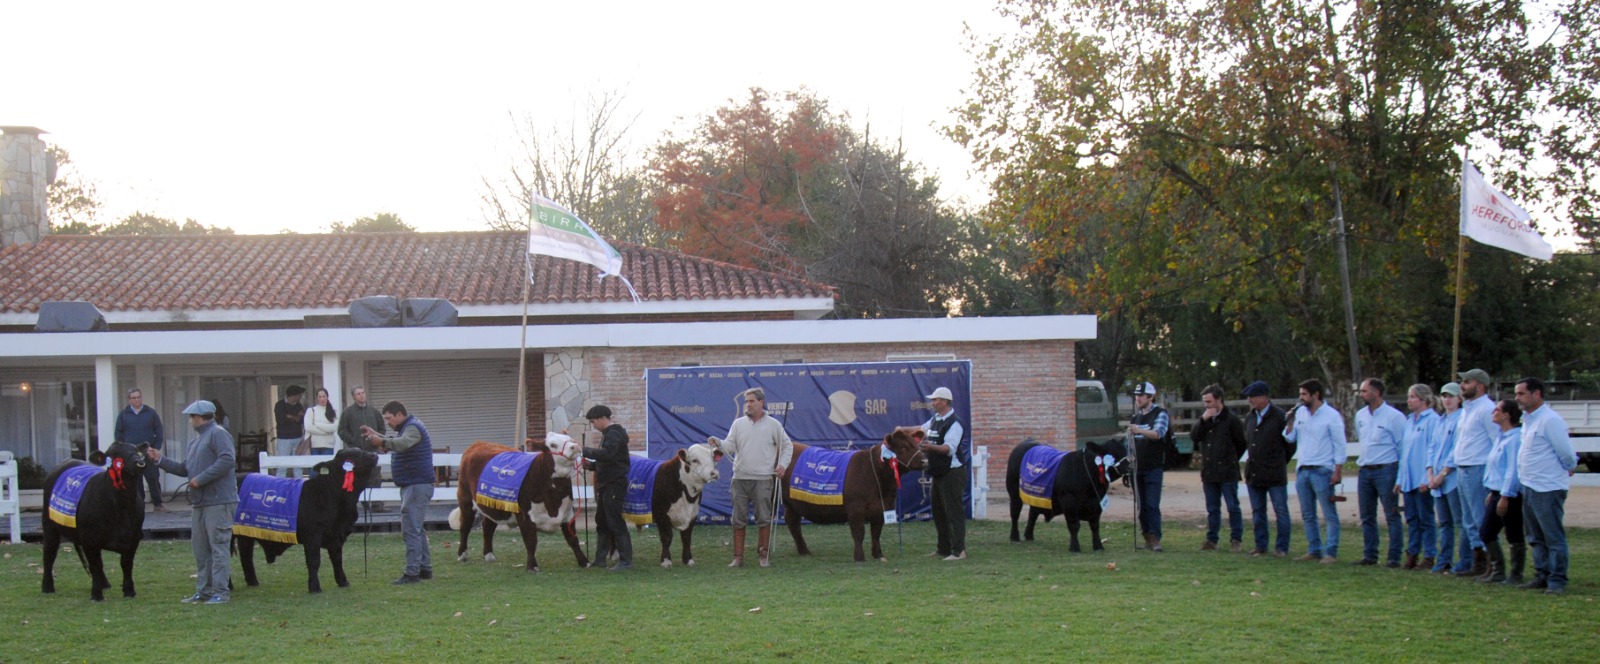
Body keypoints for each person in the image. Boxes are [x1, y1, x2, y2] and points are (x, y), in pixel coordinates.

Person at [147, 400, 237, 604]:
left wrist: (200, 479)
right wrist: (160, 460)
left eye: (192, 417)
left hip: (219, 501)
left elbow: (227, 460)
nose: (190, 421)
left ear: (200, 417)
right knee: (201, 549)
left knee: (219, 546)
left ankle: (221, 592)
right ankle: (204, 591)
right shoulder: (196, 441)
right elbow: (184, 468)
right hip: (201, 502)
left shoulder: (218, 434)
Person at [708, 387, 793, 568]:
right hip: (739, 479)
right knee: (738, 518)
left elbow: (787, 446)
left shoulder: (773, 425)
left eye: (751, 401)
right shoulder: (738, 424)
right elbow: (729, 446)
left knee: (764, 517)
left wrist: (783, 465)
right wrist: (718, 443)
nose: (747, 404)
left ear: (761, 403)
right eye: (746, 401)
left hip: (763, 479)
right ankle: (738, 558)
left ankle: (763, 555)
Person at [1514, 377, 1579, 595]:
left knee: (1552, 536)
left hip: (1547, 487)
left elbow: (1566, 452)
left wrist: (1570, 466)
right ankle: (1542, 575)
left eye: (1521, 393)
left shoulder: (1550, 420)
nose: (1517, 398)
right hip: (1530, 485)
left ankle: (1557, 579)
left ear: (1537, 394)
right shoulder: (1529, 420)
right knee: (1535, 537)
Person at [363, 401, 435, 584]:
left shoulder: (412, 428)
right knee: (417, 529)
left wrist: (382, 440)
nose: (388, 423)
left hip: (416, 485)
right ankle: (424, 569)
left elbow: (402, 443)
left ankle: (412, 573)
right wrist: (377, 436)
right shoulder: (409, 427)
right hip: (414, 485)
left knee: (411, 529)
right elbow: (398, 442)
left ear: (399, 414)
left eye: (389, 418)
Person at [1285, 379, 1346, 563]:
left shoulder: (1331, 415)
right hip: (1303, 469)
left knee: (1329, 513)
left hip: (1322, 469)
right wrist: (1290, 421)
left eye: (1304, 394)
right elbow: (1290, 438)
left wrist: (1338, 470)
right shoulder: (1301, 413)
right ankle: (1314, 549)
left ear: (1315, 394)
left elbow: (1340, 444)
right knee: (1307, 513)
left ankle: (1331, 552)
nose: (1301, 398)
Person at [1354, 378, 1408, 567]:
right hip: (1366, 470)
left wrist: (1400, 476)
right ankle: (1370, 555)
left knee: (1391, 514)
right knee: (1367, 515)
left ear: (1376, 392)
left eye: (1364, 391)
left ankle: (1394, 557)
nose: (1361, 395)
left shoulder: (1394, 417)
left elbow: (1402, 447)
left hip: (1386, 469)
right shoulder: (1360, 415)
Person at [1242, 381, 1293, 557]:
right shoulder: (1250, 417)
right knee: (1258, 511)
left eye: (1252, 397)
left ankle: (1282, 547)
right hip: (1255, 472)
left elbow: (1289, 445)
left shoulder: (1279, 417)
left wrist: (1278, 462)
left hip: (1274, 472)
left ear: (1264, 397)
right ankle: (1261, 544)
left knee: (1280, 510)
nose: (1249, 400)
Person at [1452, 368, 1495, 578]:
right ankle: (1477, 561)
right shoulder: (1467, 409)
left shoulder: (1487, 409)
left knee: (1479, 517)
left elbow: (1497, 441)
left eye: (1467, 382)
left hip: (1478, 467)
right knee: (1468, 519)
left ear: (1480, 385)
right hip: (1463, 467)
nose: (1462, 385)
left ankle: (1491, 563)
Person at [1192, 384, 1246, 552]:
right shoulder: (1206, 420)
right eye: (1204, 402)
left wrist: (1229, 459)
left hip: (1227, 471)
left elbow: (1241, 444)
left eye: (1209, 401)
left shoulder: (1231, 419)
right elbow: (1194, 436)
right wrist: (1202, 420)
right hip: (1209, 471)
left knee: (1232, 506)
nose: (1206, 405)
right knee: (1212, 508)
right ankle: (1211, 539)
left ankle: (1236, 539)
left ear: (1219, 400)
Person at [919, 386, 969, 561]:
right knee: (939, 511)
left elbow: (949, 448)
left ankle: (959, 550)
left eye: (935, 400)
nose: (932, 403)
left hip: (952, 472)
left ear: (945, 401)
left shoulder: (954, 423)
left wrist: (929, 447)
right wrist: (902, 429)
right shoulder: (935, 420)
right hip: (939, 472)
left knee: (953, 511)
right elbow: (920, 430)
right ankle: (943, 548)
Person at [581, 405, 633, 571]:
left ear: (602, 418)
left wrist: (584, 451)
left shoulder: (614, 434)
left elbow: (608, 455)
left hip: (613, 485)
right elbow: (610, 461)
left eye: (593, 421)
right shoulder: (610, 435)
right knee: (602, 522)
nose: (593, 425)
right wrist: (591, 466)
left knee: (615, 522)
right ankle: (600, 559)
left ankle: (626, 561)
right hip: (607, 485)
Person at [1478, 399, 1524, 585]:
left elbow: (1512, 470)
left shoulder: (1514, 439)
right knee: (1487, 532)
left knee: (1513, 533)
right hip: (1498, 492)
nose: (1493, 412)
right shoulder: (1500, 437)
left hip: (1510, 494)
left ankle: (1515, 573)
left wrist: (1505, 495)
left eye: (1497, 410)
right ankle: (1497, 570)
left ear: (1507, 414)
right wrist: (1492, 490)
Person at [1396, 384, 1440, 571]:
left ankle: (1429, 555)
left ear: (1423, 399)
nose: (1409, 400)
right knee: (1412, 518)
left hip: (1421, 478)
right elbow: (1404, 452)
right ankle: (1412, 553)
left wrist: (1426, 477)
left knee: (1426, 518)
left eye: (1413, 397)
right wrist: (1400, 479)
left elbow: (1433, 449)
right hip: (1408, 478)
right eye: (1409, 396)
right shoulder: (1408, 421)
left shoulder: (1432, 420)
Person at [1427, 382, 1469, 574]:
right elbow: (1432, 447)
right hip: (1437, 479)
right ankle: (1444, 559)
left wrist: (1444, 473)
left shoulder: (1462, 419)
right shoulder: (1440, 420)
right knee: (1444, 523)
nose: (1447, 399)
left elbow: (1456, 449)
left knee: (1461, 521)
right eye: (1444, 395)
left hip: (1451, 479)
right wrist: (1430, 473)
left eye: (1451, 395)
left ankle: (1466, 560)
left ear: (1459, 398)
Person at [1127, 381, 1170, 552]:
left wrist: (1139, 431)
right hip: (1138, 468)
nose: (1138, 398)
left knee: (1152, 504)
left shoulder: (1160, 414)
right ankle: (1146, 534)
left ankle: (1155, 537)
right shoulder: (1135, 417)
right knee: (1142, 505)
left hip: (1153, 467)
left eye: (1141, 395)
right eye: (1136, 395)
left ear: (1151, 397)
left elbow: (1158, 433)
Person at [114, 388, 164, 512]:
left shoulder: (151, 413)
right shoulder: (123, 415)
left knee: (153, 478)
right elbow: (118, 433)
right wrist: (124, 450)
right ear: (129, 400)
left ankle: (158, 504)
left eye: (139, 397)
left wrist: (155, 448)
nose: (137, 400)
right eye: (134, 398)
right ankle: (139, 505)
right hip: (132, 455)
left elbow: (159, 431)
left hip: (148, 452)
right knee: (136, 480)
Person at [337, 385, 387, 495]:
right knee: (357, 478)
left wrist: (378, 440)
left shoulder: (374, 411)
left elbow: (382, 428)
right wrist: (352, 440)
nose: (362, 395)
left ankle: (376, 504)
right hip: (356, 452)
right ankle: (359, 504)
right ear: (354, 397)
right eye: (358, 393)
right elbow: (341, 431)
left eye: (363, 393)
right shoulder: (348, 412)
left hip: (373, 451)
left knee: (375, 478)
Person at [273, 385, 307, 477]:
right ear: (294, 395)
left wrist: (289, 416)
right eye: (299, 395)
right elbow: (281, 420)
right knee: (282, 466)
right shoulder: (280, 405)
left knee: (298, 466)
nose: (300, 397)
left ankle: (298, 488)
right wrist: (295, 416)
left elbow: (303, 419)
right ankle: (280, 488)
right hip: (284, 440)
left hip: (298, 438)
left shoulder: (299, 405)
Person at [303, 387, 338, 456]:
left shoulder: (332, 412)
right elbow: (308, 427)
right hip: (314, 445)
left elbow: (334, 427)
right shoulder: (311, 411)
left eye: (324, 396)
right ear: (317, 398)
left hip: (328, 445)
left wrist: (317, 424)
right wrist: (326, 431)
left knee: (326, 466)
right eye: (320, 397)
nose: (322, 399)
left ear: (327, 397)